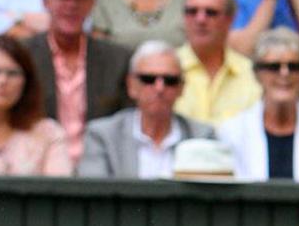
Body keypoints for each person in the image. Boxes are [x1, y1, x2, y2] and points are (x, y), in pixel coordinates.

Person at [24, 0, 131, 166]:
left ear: (92, 1)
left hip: (102, 171)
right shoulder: (23, 55)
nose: (71, 4)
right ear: (45, 0)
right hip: (38, 170)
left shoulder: (117, 59)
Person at [217, 27, 299, 181]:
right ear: (257, 73)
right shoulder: (231, 132)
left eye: (294, 67)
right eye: (273, 67)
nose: (284, 74)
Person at [78, 40, 214, 179]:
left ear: (182, 88)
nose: (159, 88)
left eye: (170, 80)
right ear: (131, 85)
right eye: (148, 79)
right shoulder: (103, 137)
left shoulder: (203, 138)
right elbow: (93, 195)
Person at [0, 35, 71, 176]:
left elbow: (62, 192)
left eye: (12, 73)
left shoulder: (49, 134)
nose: (2, 80)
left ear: (26, 82)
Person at [174, 0, 262, 125]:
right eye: (192, 12)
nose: (200, 19)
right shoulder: (163, 73)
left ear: (230, 19)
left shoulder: (252, 74)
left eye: (211, 13)